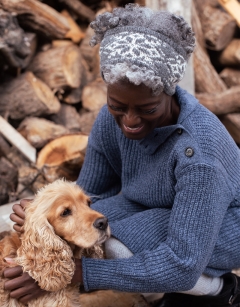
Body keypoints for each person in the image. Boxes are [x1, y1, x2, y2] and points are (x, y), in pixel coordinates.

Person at [3, 4, 240, 307]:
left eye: (147, 109)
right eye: (118, 105)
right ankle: (151, 287)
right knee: (94, 228)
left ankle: (219, 290)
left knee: (116, 243)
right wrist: (42, 215)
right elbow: (91, 195)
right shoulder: (108, 118)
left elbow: (182, 264)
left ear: (169, 93)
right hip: (152, 207)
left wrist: (77, 273)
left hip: (225, 223)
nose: (129, 120)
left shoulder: (199, 154)